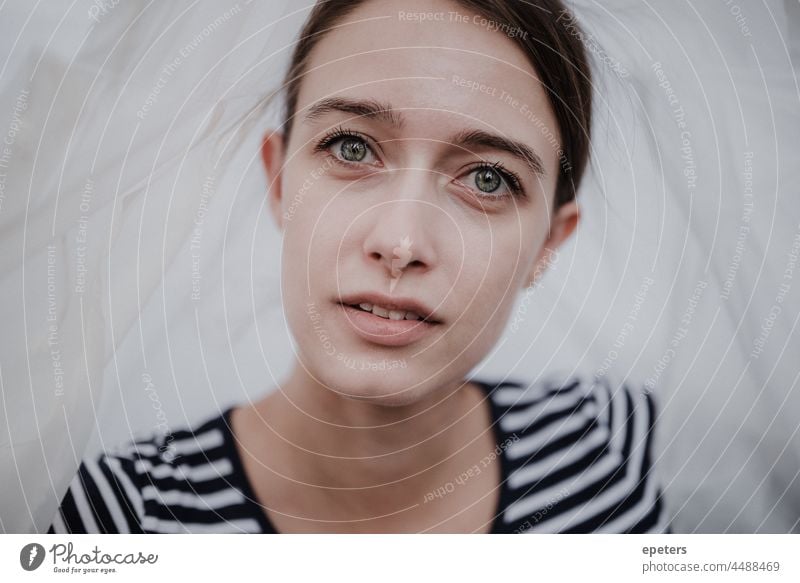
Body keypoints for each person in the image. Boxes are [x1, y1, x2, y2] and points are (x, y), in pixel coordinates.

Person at [48, 0, 668, 533]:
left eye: (488, 178)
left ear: (548, 246)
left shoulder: (605, 439)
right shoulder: (124, 517)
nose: (401, 242)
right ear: (279, 180)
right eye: (351, 147)